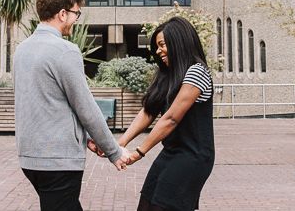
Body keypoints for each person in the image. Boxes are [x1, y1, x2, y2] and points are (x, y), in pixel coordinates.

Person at [13, 0, 129, 211]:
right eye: (77, 13)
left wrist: (86, 139)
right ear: (63, 13)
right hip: (58, 161)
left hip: (30, 158)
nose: (77, 19)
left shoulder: (22, 49)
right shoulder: (65, 50)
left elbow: (45, 104)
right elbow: (85, 106)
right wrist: (114, 151)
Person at [91, 16, 215, 211]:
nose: (158, 51)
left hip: (192, 157)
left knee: (162, 206)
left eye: (162, 45)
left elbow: (171, 119)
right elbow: (148, 112)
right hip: (171, 153)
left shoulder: (197, 72)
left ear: (178, 42)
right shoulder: (168, 75)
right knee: (146, 204)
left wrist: (139, 153)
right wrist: (119, 144)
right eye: (157, 46)